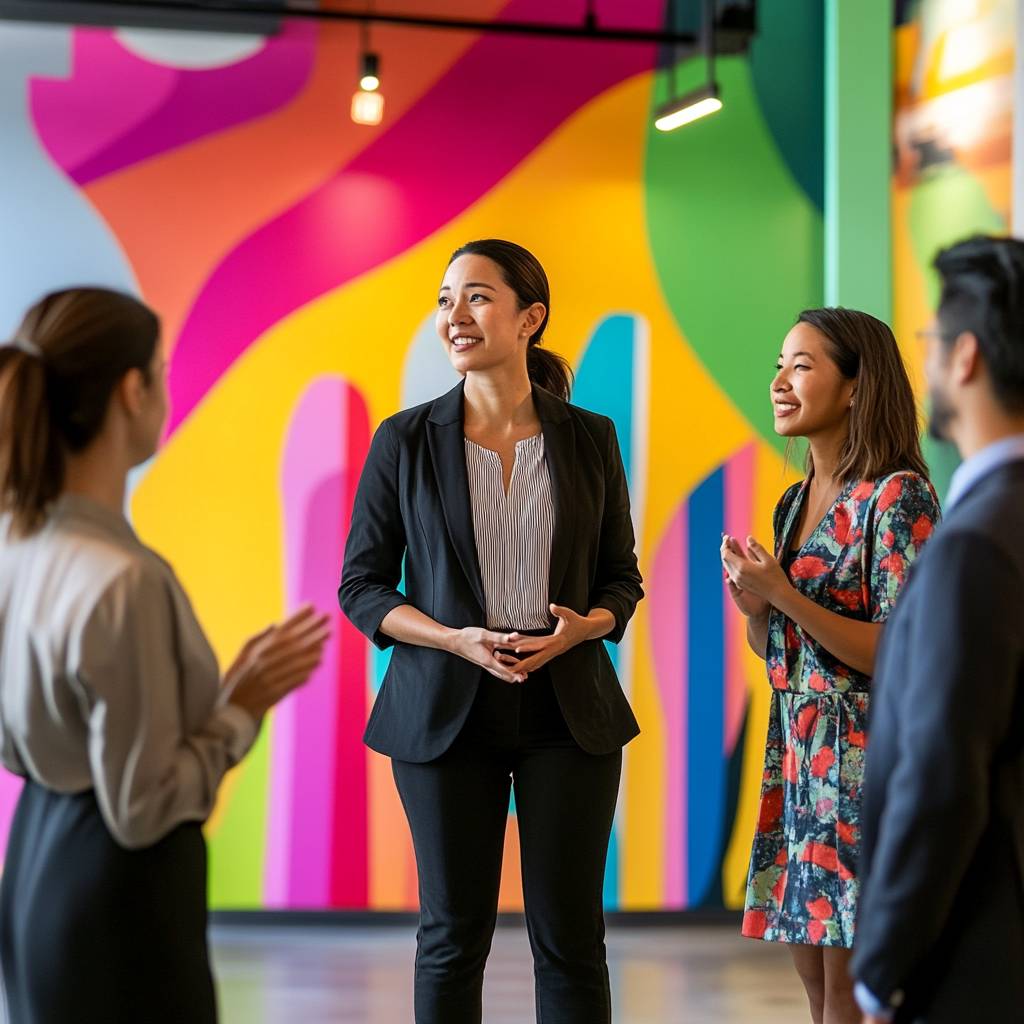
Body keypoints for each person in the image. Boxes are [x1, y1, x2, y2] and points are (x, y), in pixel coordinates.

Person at [0, 287, 330, 1024]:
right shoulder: (126, 581)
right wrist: (237, 715)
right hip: (120, 907)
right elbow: (142, 806)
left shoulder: (16, 545)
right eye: (162, 368)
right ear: (131, 391)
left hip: (34, 874)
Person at [339, 238, 643, 1024]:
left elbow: (621, 580)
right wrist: (452, 638)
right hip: (445, 710)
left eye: (476, 296)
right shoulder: (402, 441)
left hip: (568, 713)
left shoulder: (591, 439)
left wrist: (585, 629)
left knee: (573, 939)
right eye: (445, 300)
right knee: (450, 934)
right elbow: (362, 586)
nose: (455, 315)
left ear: (528, 318)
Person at [721, 307, 940, 1024]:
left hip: (863, 764)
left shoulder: (897, 497)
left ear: (855, 387)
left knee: (854, 993)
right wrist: (759, 611)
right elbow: (780, 652)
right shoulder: (792, 503)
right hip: (798, 758)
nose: (780, 382)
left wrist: (784, 594)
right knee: (818, 992)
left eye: (803, 366)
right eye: (779, 366)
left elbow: (901, 652)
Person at [852, 236, 1024, 1023]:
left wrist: (880, 965)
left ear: (963, 359)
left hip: (981, 956)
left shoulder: (974, 544)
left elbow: (942, 776)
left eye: (926, 342)